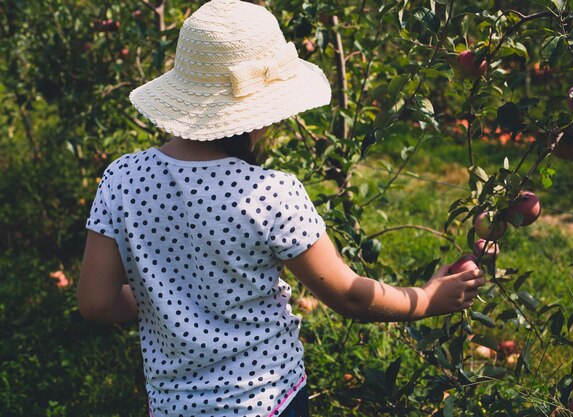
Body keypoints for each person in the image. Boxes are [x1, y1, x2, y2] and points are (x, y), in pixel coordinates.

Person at [77, 1, 486, 417]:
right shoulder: (271, 193)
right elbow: (350, 297)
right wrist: (427, 299)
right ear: (261, 114)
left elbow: (96, 303)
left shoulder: (122, 179)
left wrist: (161, 300)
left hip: (172, 405)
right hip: (266, 400)